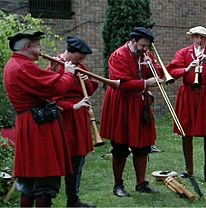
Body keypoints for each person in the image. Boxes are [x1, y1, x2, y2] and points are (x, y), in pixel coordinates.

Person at [3, 29, 76, 207]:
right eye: (37, 45)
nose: (40, 49)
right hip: (38, 126)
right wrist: (68, 73)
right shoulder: (24, 66)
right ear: (28, 46)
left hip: (29, 123)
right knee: (45, 180)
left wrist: (53, 70)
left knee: (29, 182)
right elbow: (55, 89)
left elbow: (40, 85)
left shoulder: (14, 64)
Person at [100, 27, 163, 197]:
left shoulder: (145, 55)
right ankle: (117, 185)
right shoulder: (118, 55)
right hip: (121, 103)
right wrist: (145, 83)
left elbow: (158, 73)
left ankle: (141, 183)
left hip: (139, 103)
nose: (145, 49)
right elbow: (120, 83)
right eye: (142, 45)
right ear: (133, 41)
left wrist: (154, 66)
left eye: (147, 46)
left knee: (142, 146)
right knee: (120, 147)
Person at [166, 26, 206, 183]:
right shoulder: (183, 52)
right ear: (192, 37)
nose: (199, 40)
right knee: (186, 132)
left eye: (202, 37)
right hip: (188, 94)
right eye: (196, 37)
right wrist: (188, 68)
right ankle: (188, 170)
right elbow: (171, 71)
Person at [46, 36, 98, 207]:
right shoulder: (55, 66)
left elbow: (88, 91)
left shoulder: (79, 66)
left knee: (78, 160)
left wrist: (86, 81)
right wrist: (72, 106)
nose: (82, 60)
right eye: (80, 57)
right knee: (58, 161)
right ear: (70, 52)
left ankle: (73, 200)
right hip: (64, 119)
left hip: (79, 118)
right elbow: (51, 97)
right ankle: (47, 199)